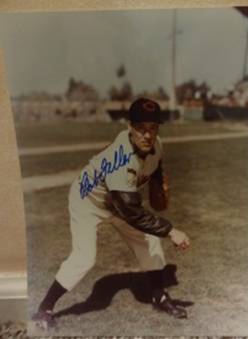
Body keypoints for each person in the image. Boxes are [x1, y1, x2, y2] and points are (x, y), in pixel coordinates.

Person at [33, 97, 190, 329]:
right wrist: (171, 230)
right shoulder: (121, 159)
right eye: (141, 128)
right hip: (88, 200)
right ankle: (44, 308)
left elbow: (156, 166)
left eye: (153, 128)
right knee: (84, 257)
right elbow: (132, 212)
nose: (147, 135)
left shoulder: (157, 144)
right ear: (129, 128)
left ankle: (159, 295)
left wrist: (157, 182)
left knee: (149, 241)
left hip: (116, 199)